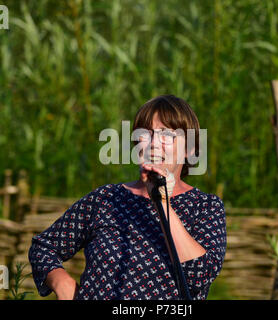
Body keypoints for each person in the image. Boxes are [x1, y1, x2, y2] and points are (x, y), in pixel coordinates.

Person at [28, 94, 227, 300]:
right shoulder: (107, 199)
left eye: (167, 134)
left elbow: (198, 276)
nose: (154, 143)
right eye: (146, 134)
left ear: (190, 149)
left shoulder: (205, 207)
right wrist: (63, 283)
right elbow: (44, 248)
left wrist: (162, 201)